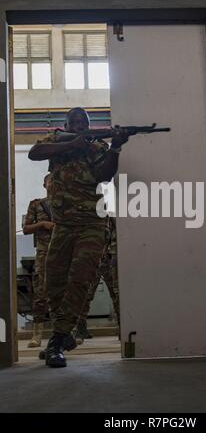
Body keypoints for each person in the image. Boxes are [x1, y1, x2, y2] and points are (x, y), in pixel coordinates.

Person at [28, 107, 128, 368]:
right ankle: (65, 334)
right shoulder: (55, 140)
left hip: (91, 224)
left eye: (83, 122)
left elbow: (105, 175)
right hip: (63, 225)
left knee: (80, 279)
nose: (79, 125)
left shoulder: (96, 148)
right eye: (74, 122)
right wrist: (71, 143)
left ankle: (57, 340)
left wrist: (115, 148)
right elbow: (34, 153)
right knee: (53, 281)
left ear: (89, 125)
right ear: (66, 124)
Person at [74, 216, 119, 344]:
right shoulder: (87, 220)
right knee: (85, 295)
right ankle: (80, 329)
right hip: (93, 260)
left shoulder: (112, 220)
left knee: (116, 294)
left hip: (108, 260)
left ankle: (123, 329)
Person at [23, 174, 54, 348]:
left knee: (64, 294)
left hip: (63, 253)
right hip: (43, 254)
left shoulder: (66, 204)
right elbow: (26, 228)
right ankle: (37, 335)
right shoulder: (36, 204)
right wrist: (42, 224)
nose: (53, 184)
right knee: (40, 295)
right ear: (44, 184)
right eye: (50, 181)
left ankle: (64, 333)